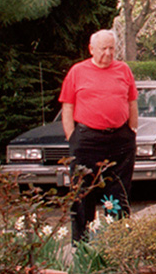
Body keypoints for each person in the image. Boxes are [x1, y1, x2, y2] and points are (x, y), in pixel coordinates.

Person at [59, 29, 138, 242]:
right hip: (87, 139)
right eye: (103, 48)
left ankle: (117, 240)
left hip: (119, 139)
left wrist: (132, 130)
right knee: (83, 191)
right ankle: (82, 245)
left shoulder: (123, 70)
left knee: (117, 191)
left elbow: (132, 102)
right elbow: (68, 107)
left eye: (112, 48)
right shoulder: (77, 71)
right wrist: (72, 137)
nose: (108, 53)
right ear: (91, 49)